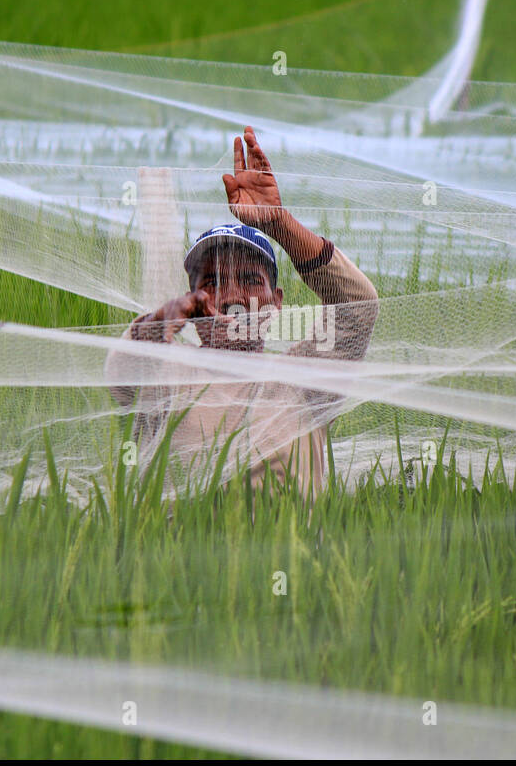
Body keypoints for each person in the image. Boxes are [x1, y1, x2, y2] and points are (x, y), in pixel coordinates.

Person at [106, 127, 378, 495]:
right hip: (175, 549)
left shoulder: (303, 379)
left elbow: (358, 307)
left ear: (276, 301)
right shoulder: (168, 372)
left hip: (286, 550)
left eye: (250, 279)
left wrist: (280, 224)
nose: (232, 295)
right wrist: (157, 323)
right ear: (189, 305)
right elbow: (122, 373)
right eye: (211, 283)